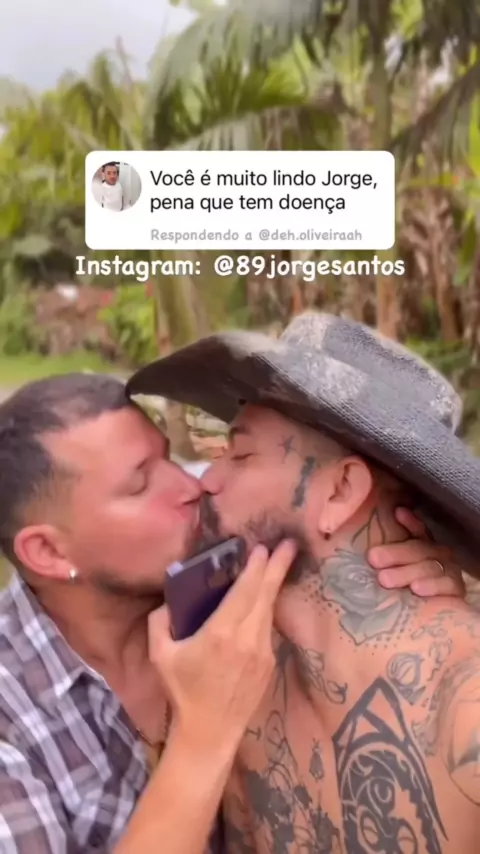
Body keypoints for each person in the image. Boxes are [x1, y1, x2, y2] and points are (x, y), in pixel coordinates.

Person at [0, 374, 465, 854]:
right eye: (140, 484)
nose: (192, 484)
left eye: (168, 457)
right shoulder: (11, 720)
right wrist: (203, 736)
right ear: (48, 553)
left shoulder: (219, 572)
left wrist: (393, 566)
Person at [128, 311, 480, 853]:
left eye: (241, 455)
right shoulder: (235, 682)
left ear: (340, 493)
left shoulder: (466, 709)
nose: (206, 482)